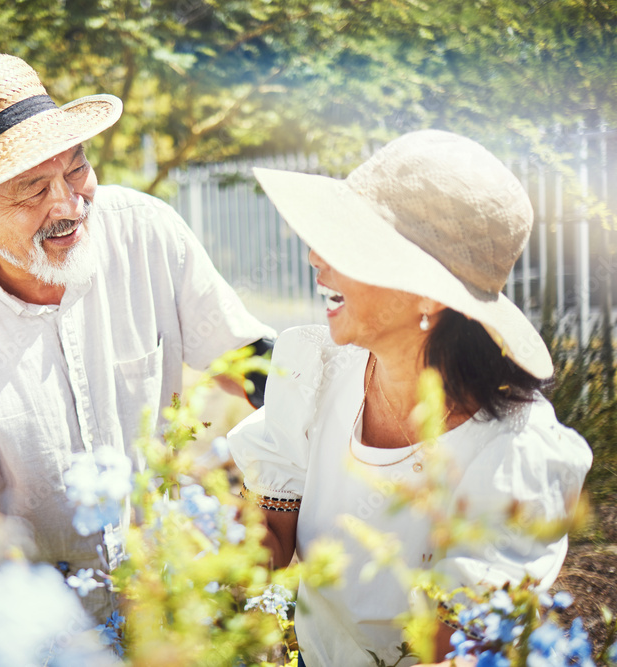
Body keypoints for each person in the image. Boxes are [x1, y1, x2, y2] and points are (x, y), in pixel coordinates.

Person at [0, 53, 275, 621]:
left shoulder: (147, 233)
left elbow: (248, 361)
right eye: (32, 190)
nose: (67, 205)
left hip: (168, 604)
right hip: (43, 626)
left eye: (76, 169)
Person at [228, 130, 592, 666]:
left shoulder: (516, 453)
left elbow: (455, 650)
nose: (314, 257)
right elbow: (273, 531)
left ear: (428, 292)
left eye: (350, 243)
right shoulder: (315, 370)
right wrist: (208, 548)